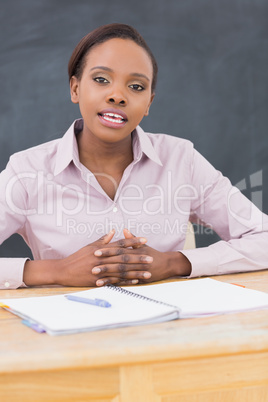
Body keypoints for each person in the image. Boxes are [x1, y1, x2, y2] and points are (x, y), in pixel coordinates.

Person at [0, 23, 267, 290]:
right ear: (75, 88)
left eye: (136, 86)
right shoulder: (27, 171)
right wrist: (56, 270)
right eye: (101, 79)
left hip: (169, 326)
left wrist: (175, 263)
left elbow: (262, 237)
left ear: (149, 103)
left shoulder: (181, 160)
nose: (118, 96)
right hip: (64, 325)